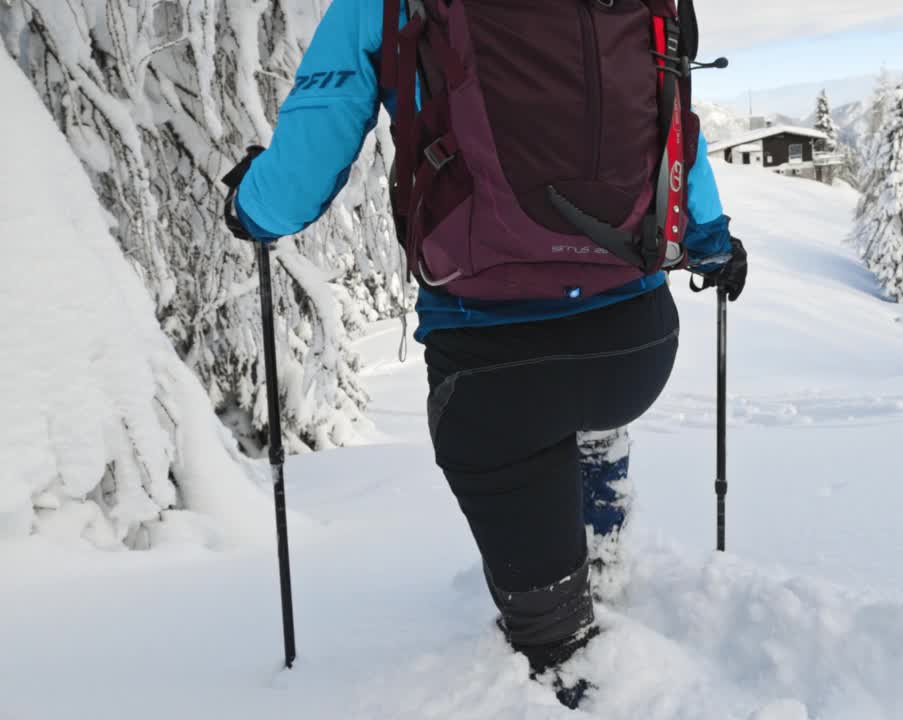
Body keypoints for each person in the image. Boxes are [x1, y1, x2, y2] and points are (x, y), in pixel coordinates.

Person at [222, 0, 747, 708]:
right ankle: (600, 535)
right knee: (581, 400)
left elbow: (312, 146)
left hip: (495, 368)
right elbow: (672, 118)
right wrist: (711, 238)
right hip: (637, 342)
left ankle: (569, 659)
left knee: (557, 645)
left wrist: (253, 208)